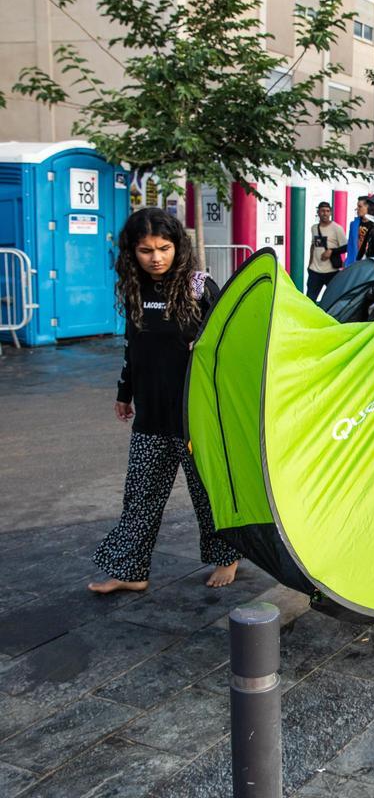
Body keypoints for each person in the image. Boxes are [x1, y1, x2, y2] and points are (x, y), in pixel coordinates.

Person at [89, 208, 242, 594]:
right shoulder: (135, 287)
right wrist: (125, 392)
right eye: (145, 250)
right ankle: (131, 571)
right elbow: (132, 345)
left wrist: (205, 346)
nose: (155, 257)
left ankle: (227, 557)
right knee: (139, 495)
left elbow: (232, 339)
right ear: (132, 252)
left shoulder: (198, 285)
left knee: (206, 493)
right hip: (151, 413)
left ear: (177, 246)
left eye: (164, 247)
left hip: (195, 414)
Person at [306, 201, 348, 301]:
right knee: (310, 300)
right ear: (318, 212)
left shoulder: (337, 228)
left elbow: (346, 247)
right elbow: (313, 246)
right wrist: (309, 264)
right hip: (314, 271)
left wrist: (331, 251)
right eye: (322, 211)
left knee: (334, 299)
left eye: (327, 211)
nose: (325, 213)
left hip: (331, 272)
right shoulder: (314, 228)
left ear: (330, 213)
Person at [345, 195, 371, 264]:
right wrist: (347, 262)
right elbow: (350, 246)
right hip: (355, 262)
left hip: (369, 263)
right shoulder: (353, 224)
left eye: (360, 206)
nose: (357, 209)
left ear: (367, 207)